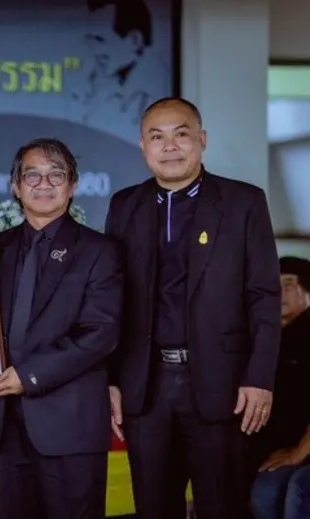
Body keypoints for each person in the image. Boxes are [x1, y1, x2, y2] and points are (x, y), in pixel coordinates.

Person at [105, 96, 282, 519]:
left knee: (222, 506)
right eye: (157, 137)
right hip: (146, 388)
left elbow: (264, 295)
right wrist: (112, 380)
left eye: (181, 134)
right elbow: (111, 299)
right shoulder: (125, 205)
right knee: (153, 507)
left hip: (222, 386)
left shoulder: (242, 202)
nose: (169, 146)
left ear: (202, 140)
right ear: (143, 146)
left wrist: (259, 377)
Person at [0, 138, 124, 518]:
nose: (44, 184)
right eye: (32, 175)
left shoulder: (100, 251)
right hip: (4, 425)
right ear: (16, 187)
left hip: (68, 426)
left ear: (73, 185)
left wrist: (29, 376)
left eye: (56, 175)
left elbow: (100, 332)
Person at [248, 257, 310, 519]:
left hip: (301, 450)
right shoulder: (264, 338)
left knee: (290, 490)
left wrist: (298, 453)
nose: (278, 291)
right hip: (272, 449)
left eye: (288, 284)